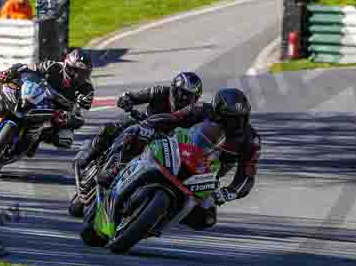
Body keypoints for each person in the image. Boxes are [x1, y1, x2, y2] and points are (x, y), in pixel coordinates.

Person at [81, 87, 261, 243]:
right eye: (231, 119)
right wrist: (149, 125)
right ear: (217, 113)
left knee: (207, 219)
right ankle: (115, 170)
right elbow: (173, 118)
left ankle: (152, 222)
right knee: (137, 133)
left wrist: (228, 192)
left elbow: (247, 175)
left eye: (241, 118)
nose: (236, 124)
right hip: (180, 151)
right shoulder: (201, 110)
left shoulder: (251, 140)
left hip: (205, 176)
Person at [73, 71, 203, 181]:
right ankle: (95, 158)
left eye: (189, 97)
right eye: (181, 94)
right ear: (173, 88)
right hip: (141, 125)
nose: (183, 99)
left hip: (166, 145)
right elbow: (133, 96)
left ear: (195, 100)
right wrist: (126, 100)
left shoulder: (194, 114)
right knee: (111, 128)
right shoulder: (159, 92)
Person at [0, 48, 94, 151]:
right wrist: (9, 72)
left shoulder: (87, 90)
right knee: (0, 99)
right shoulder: (52, 66)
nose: (77, 76)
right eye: (75, 71)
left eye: (83, 73)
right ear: (67, 66)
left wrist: (69, 118)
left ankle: (36, 139)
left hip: (56, 114)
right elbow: (26, 67)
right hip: (39, 99)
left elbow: (80, 118)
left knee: (66, 139)